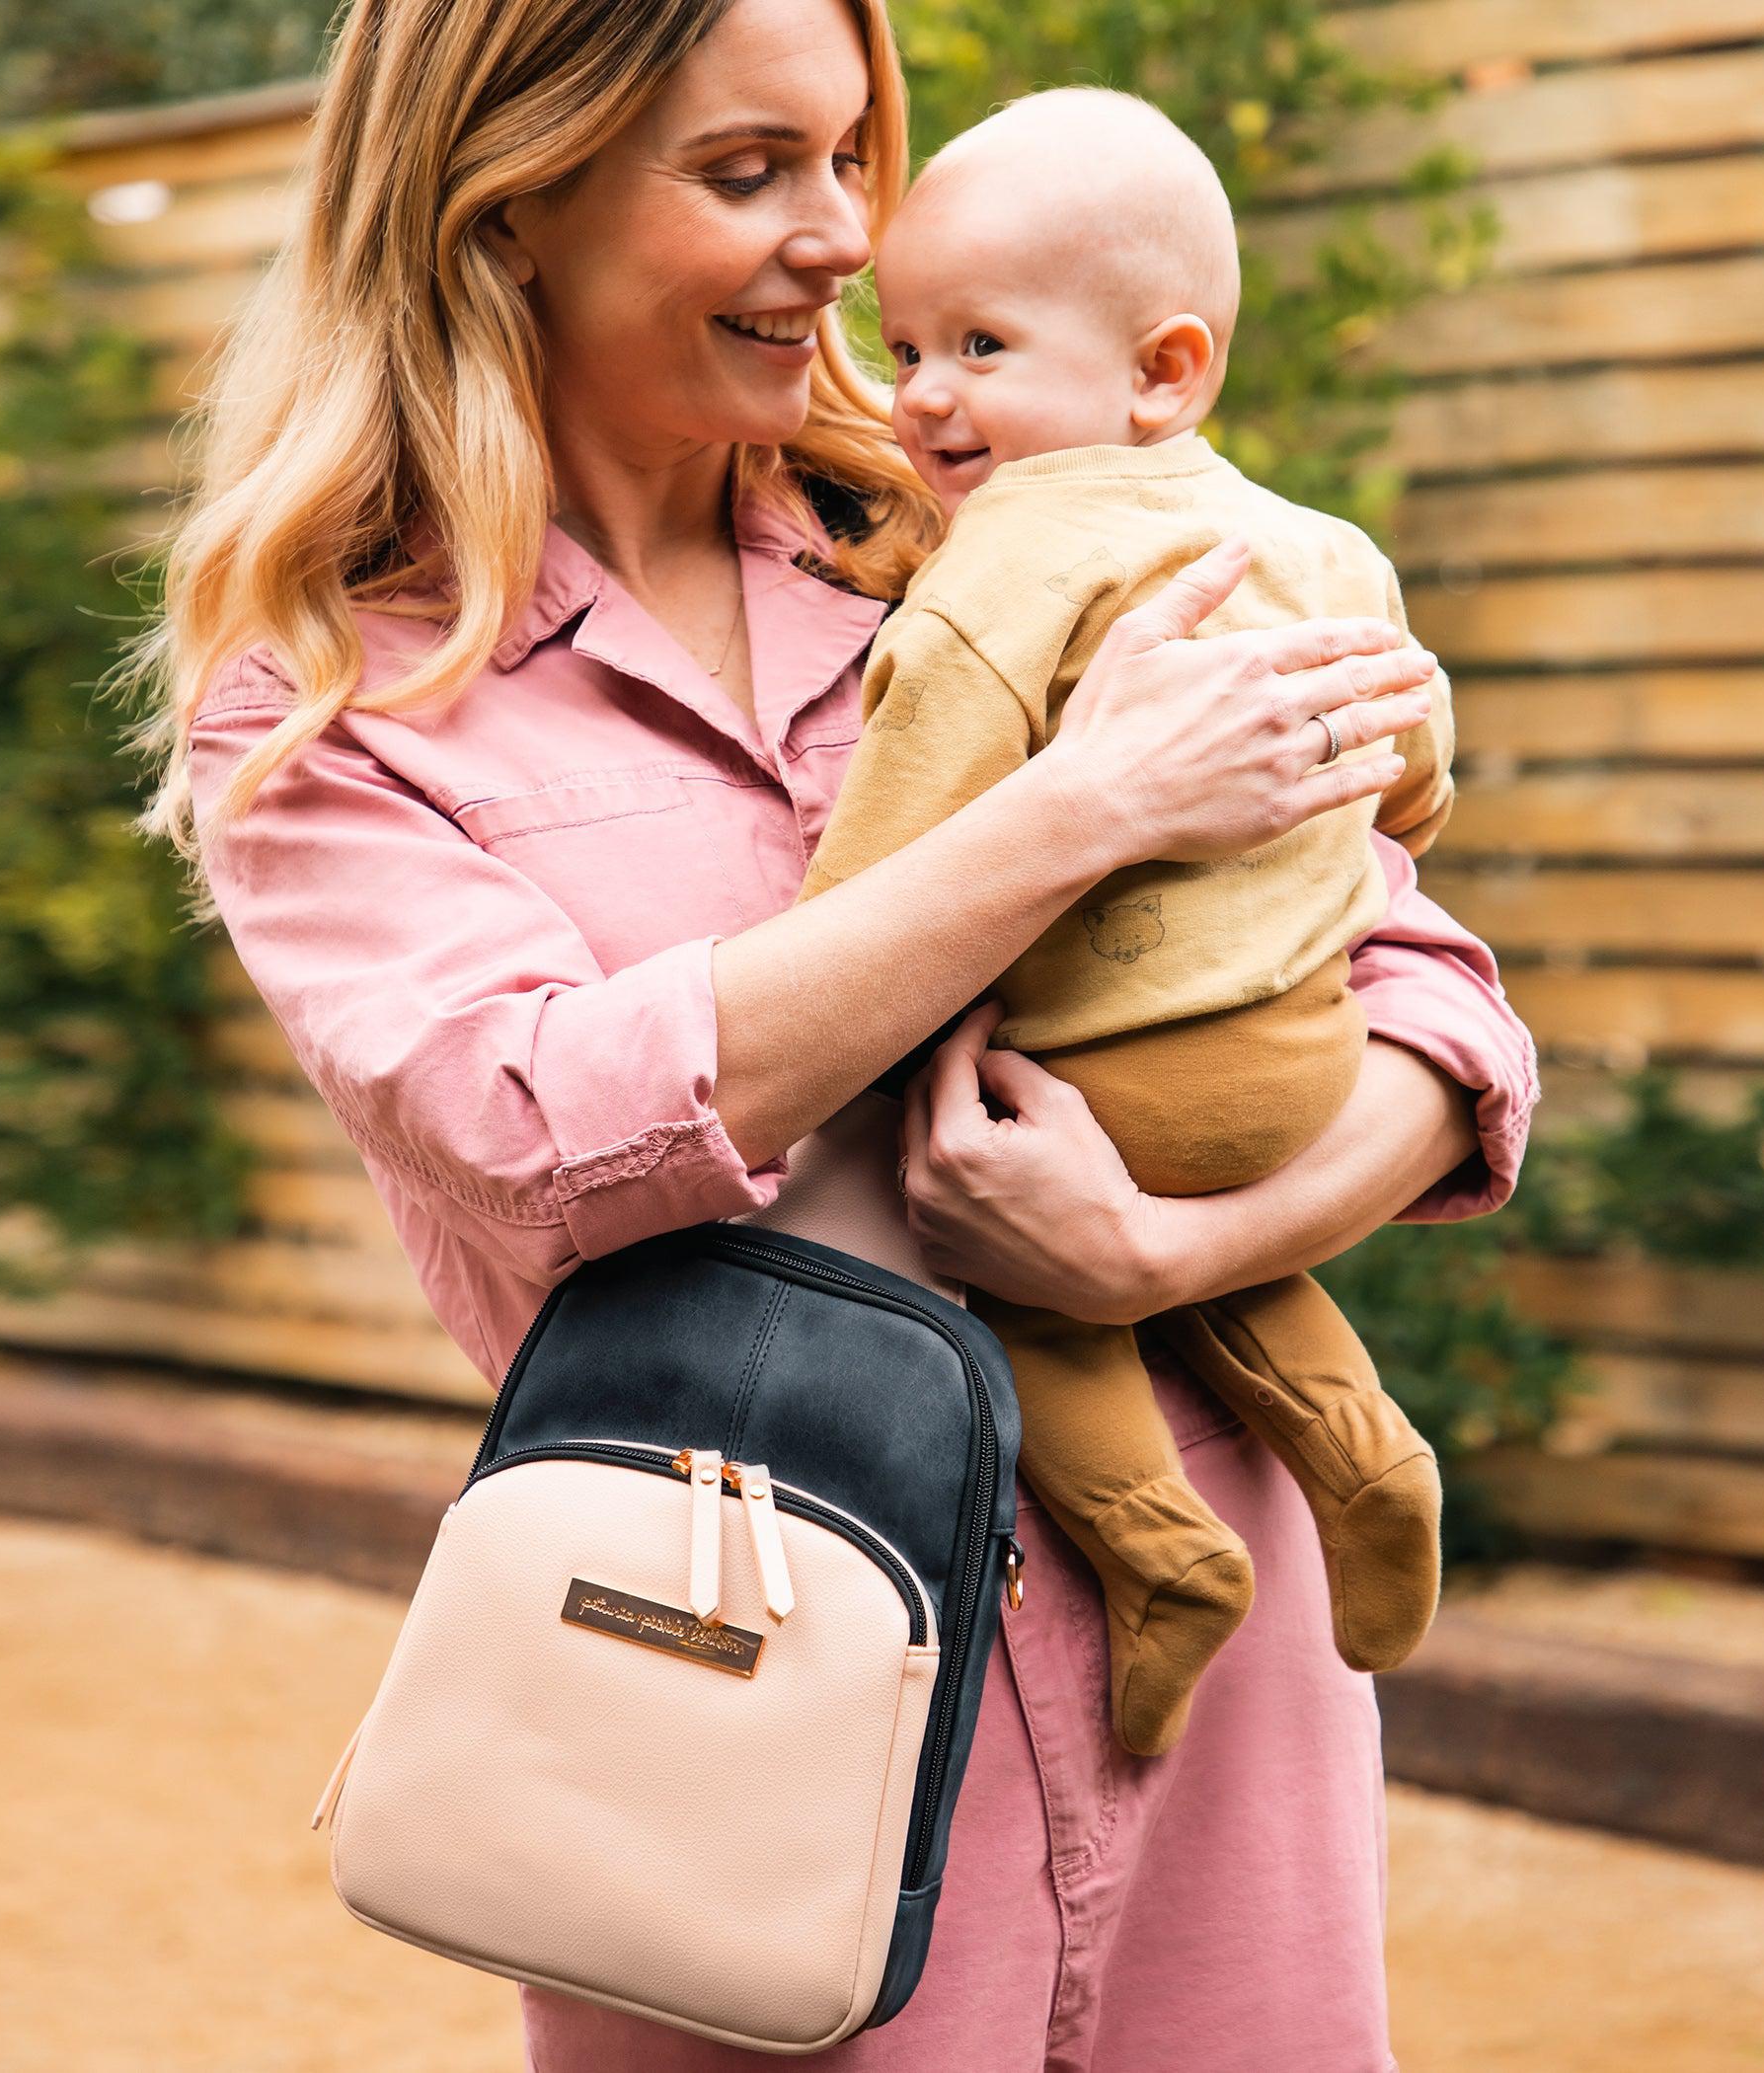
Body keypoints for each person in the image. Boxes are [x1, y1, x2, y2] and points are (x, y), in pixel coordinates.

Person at [130, 1, 1539, 2065]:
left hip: (1207, 1650)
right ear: (511, 200)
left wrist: (1173, 1255)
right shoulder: (343, 694)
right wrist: (1079, 814)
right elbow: (530, 1118)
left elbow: (1423, 985)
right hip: (739, 1689)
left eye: (850, 154)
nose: (842, 236)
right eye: (747, 172)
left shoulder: (997, 517)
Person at [798, 86, 1454, 1758]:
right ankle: (1369, 1454)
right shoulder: (1323, 549)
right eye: (907, 342)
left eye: (982, 348)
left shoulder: (1001, 569)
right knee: (1201, 1229)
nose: (921, 395)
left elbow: (897, 845)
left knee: (1005, 1260)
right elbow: (1412, 760)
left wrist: (825, 969)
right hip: (1303, 1056)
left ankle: (1164, 1558)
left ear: (1164, 369)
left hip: (1104, 1070)